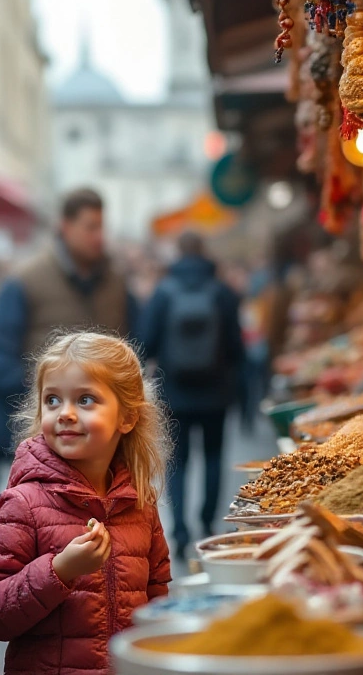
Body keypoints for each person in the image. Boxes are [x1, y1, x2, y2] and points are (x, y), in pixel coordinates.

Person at [0, 332, 173, 674]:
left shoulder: (140, 503)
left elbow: (157, 597)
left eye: (85, 400)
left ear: (127, 418)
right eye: (52, 400)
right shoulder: (24, 502)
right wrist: (59, 571)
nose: (65, 413)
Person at [0, 187, 138, 498]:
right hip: (37, 442)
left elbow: (133, 346)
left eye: (102, 227)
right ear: (66, 226)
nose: (98, 236)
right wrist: (52, 400)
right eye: (90, 227)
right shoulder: (26, 281)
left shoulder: (116, 283)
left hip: (101, 446)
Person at [140, 231, 244, 555]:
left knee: (178, 462)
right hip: (216, 393)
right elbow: (236, 346)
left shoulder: (164, 292)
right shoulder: (222, 292)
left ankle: (181, 532)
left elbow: (146, 342)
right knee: (213, 457)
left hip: (175, 393)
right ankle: (207, 523)